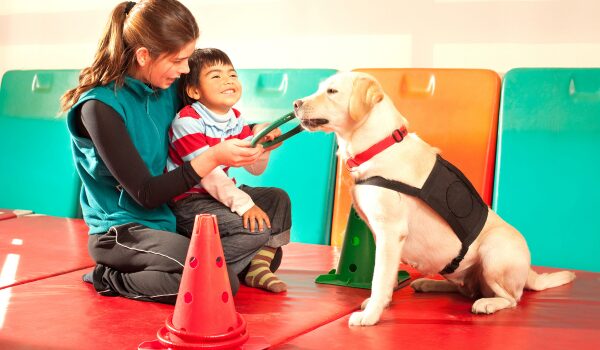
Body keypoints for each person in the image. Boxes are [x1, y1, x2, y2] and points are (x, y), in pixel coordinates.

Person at [60, 0, 285, 304]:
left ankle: (227, 265)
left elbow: (208, 120)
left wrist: (260, 131)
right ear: (143, 56)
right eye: (179, 60)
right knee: (217, 283)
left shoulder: (164, 88)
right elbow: (146, 193)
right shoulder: (99, 107)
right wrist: (215, 157)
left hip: (171, 220)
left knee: (270, 214)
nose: (186, 70)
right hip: (124, 231)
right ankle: (110, 277)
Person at [167, 48, 291, 293]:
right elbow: (208, 175)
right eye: (215, 76)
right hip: (190, 201)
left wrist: (264, 143)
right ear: (194, 91)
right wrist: (245, 205)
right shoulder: (187, 121)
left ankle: (258, 267)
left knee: (278, 198)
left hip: (219, 194)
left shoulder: (235, 118)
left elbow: (254, 168)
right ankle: (204, 274)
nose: (227, 80)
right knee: (255, 229)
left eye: (232, 75)